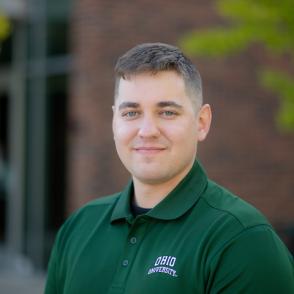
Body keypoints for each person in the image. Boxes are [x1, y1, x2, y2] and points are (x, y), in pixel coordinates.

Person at [45, 43, 294, 294]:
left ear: (201, 122)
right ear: (114, 121)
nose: (147, 131)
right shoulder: (78, 228)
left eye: (166, 112)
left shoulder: (242, 239)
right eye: (131, 113)